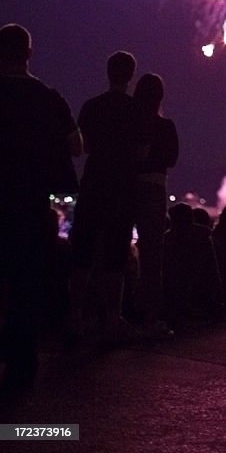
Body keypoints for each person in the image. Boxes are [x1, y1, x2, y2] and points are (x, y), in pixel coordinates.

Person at [0, 23, 81, 392]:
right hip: (30, 204)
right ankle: (21, 362)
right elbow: (75, 145)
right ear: (29, 54)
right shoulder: (48, 97)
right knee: (24, 283)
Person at [68, 50, 148, 344]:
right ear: (130, 76)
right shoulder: (136, 110)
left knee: (82, 252)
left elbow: (85, 146)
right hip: (122, 188)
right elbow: (142, 153)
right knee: (116, 254)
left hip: (94, 183)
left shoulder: (91, 106)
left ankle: (75, 315)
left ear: (107, 72)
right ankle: (113, 317)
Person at [133, 72, 178, 335]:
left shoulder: (129, 124)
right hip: (154, 188)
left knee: (120, 248)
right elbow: (171, 160)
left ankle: (120, 312)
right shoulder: (165, 126)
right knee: (152, 253)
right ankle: (150, 317)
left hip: (128, 185)